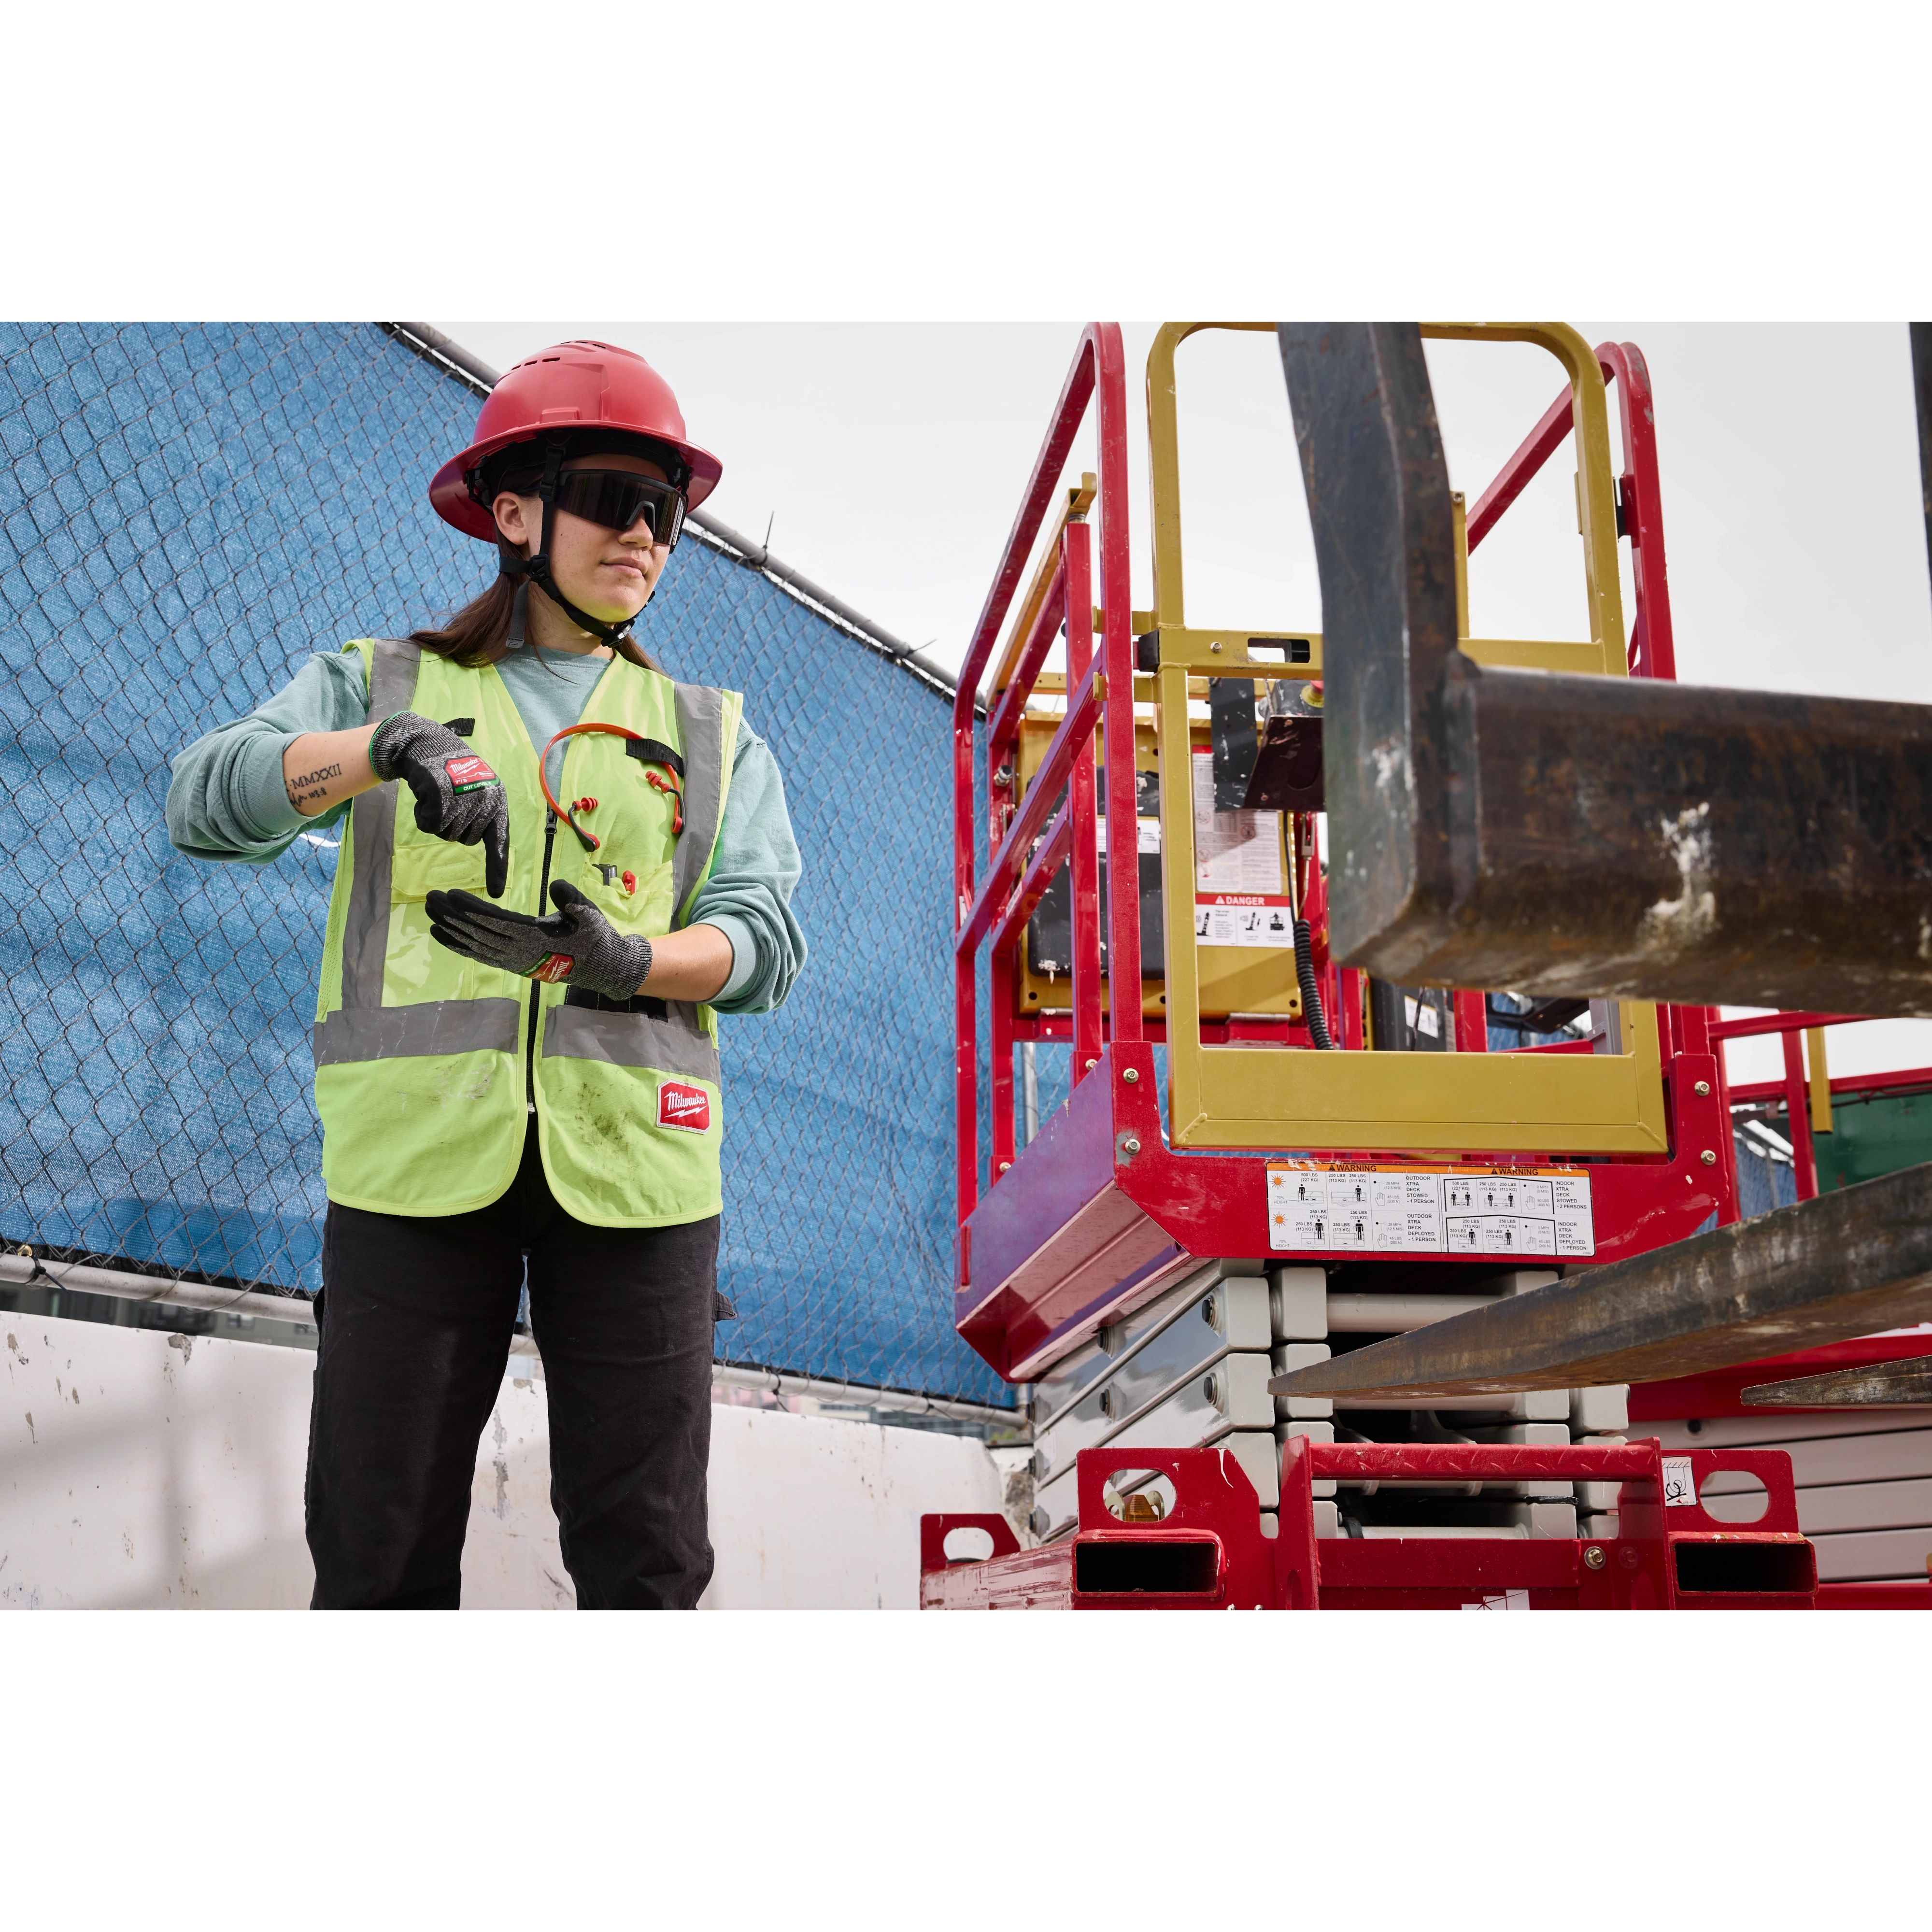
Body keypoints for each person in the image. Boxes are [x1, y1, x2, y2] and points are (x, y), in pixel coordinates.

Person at [166, 341, 805, 1610]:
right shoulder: (382, 685)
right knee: (377, 1541)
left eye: (667, 512)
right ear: (513, 513)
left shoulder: (712, 733)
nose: (645, 534)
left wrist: (627, 961)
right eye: (612, 498)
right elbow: (203, 802)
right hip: (415, 1163)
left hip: (638, 1171)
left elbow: (762, 938)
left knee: (649, 1553)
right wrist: (382, 752)